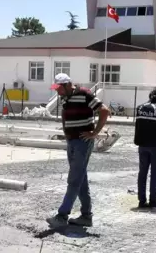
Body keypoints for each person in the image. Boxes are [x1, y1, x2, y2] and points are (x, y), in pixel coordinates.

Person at [46, 73, 110, 228]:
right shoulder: (66, 97)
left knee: (74, 179)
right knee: (81, 179)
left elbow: (104, 110)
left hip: (83, 142)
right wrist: (66, 132)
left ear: (68, 85)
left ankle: (62, 216)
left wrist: (95, 133)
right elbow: (64, 114)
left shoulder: (84, 94)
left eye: (59, 89)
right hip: (72, 141)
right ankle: (86, 216)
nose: (58, 92)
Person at [134, 88, 156, 209]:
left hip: (142, 144)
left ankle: (141, 201)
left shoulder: (140, 108)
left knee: (142, 173)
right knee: (155, 173)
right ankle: (153, 200)